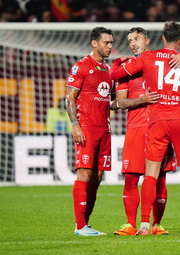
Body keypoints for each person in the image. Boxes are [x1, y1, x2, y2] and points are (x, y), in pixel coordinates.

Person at [112, 26, 180, 235]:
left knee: (151, 176)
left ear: (159, 39)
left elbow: (115, 74)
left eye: (136, 39)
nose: (133, 43)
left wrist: (118, 62)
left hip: (156, 121)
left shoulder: (148, 58)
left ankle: (144, 224)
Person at [65, 26, 117, 236]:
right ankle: (79, 226)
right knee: (84, 173)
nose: (110, 46)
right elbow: (69, 98)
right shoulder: (81, 66)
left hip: (104, 129)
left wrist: (131, 102)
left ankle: (85, 224)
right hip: (86, 127)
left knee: (97, 176)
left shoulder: (108, 70)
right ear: (94, 43)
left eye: (111, 42)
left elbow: (110, 101)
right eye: (106, 42)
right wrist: (75, 124)